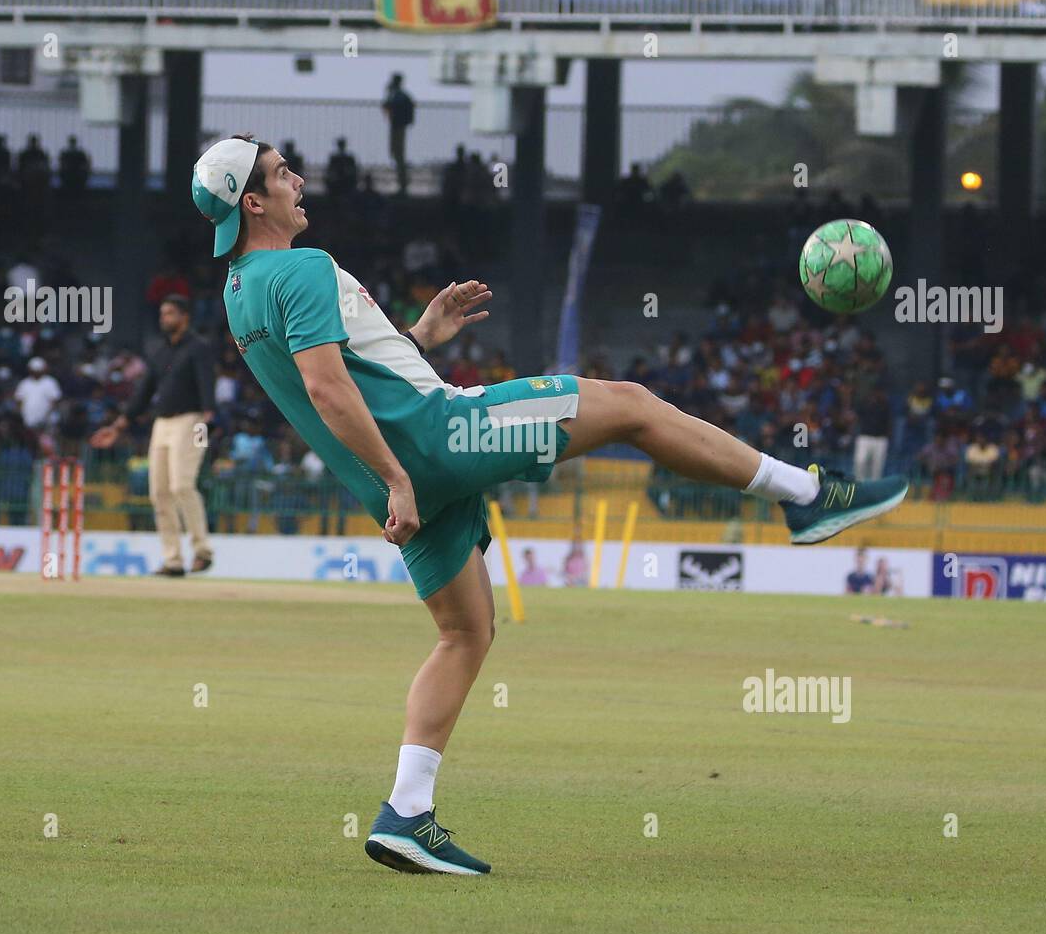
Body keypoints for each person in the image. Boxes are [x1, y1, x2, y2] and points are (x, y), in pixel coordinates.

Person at [190, 135, 909, 876]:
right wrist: (403, 474)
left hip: (391, 474)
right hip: (435, 440)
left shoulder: (241, 288)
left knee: (465, 635)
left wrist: (418, 338)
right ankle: (806, 496)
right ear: (253, 201)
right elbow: (328, 390)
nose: (297, 180)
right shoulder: (300, 266)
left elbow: (347, 375)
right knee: (629, 404)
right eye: (280, 174)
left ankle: (405, 813)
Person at [90, 297, 217, 576]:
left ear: (185, 316)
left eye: (170, 313)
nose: (164, 318)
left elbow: (208, 384)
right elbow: (143, 392)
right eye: (162, 313)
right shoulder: (161, 352)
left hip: (193, 420)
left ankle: (202, 551)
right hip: (162, 424)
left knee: (182, 485)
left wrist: (208, 420)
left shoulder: (198, 348)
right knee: (159, 492)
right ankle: (173, 560)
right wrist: (118, 426)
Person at [381, 73, 416, 196]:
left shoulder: (399, 95)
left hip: (398, 127)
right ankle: (402, 182)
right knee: (397, 154)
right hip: (398, 126)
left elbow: (387, 105)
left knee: (398, 155)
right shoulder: (401, 95)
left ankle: (403, 183)